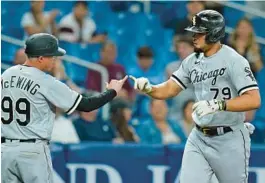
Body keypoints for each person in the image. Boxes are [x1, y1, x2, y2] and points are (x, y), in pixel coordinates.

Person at [129, 10, 260, 183]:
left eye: (199, 32)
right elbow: (169, 89)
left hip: (230, 136)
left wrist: (218, 104)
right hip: (199, 136)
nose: (194, 36)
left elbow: (254, 99)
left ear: (213, 33)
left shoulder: (234, 60)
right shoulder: (192, 61)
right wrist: (149, 88)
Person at [1, 33, 127, 183]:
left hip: (6, 150)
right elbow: (86, 105)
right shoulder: (46, 81)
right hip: (32, 152)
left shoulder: (7, 74)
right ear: (40, 58)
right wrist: (111, 92)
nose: (55, 60)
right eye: (52, 56)